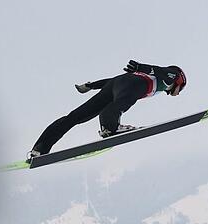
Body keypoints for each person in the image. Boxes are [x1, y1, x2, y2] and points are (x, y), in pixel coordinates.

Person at [27, 60, 187, 161]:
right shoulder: (171, 75)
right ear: (180, 80)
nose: (179, 92)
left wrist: (90, 86)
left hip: (116, 85)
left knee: (75, 117)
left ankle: (39, 149)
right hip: (132, 84)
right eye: (182, 88)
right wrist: (141, 67)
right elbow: (158, 70)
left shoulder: (160, 84)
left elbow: (113, 81)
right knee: (123, 101)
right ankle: (111, 128)